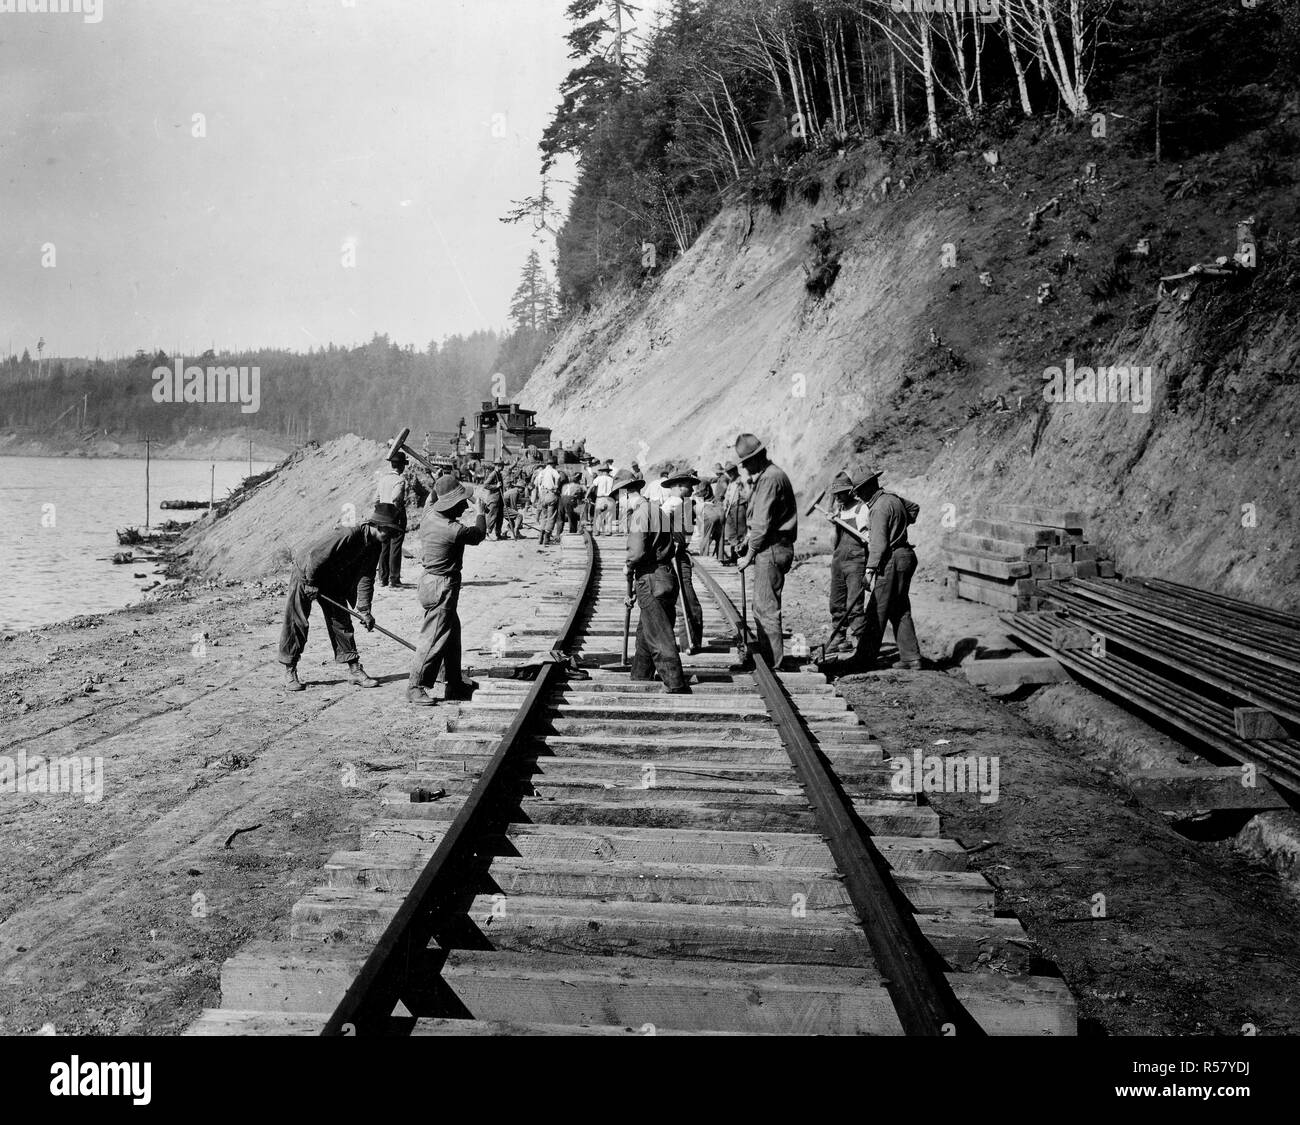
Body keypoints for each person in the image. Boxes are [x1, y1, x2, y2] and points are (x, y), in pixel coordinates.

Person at [279, 503, 401, 691]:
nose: (391, 537)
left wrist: (365, 610)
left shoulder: (375, 545)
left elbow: (366, 578)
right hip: (306, 571)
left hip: (331, 577)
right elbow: (315, 556)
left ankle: (354, 670)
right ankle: (290, 669)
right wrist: (310, 582)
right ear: (378, 526)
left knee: (341, 621)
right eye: (390, 532)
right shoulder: (349, 533)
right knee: (298, 621)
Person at [407, 475, 487, 706]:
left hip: (430, 583)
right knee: (433, 638)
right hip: (442, 586)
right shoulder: (453, 530)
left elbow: (433, 495)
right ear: (450, 504)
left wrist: (443, 483)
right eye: (461, 502)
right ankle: (415, 686)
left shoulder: (429, 513)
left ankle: (453, 683)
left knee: (452, 634)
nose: (464, 506)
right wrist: (480, 511)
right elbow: (479, 534)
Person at [616, 467, 688, 693]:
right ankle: (640, 676)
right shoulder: (658, 510)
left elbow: (636, 551)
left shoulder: (639, 513)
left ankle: (675, 683)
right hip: (666, 575)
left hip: (651, 578)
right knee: (646, 631)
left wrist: (628, 567)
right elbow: (676, 541)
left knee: (659, 635)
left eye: (619, 497)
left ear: (626, 493)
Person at [734, 433, 798, 670]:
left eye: (747, 462)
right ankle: (769, 658)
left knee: (766, 607)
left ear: (756, 458)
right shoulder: (771, 475)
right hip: (773, 546)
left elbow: (761, 524)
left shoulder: (770, 479)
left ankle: (772, 663)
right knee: (763, 605)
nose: (745, 468)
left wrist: (749, 554)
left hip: (772, 548)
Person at [856, 471, 922, 671]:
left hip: (892, 559)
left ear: (869, 486)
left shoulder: (878, 508)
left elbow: (879, 543)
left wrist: (869, 570)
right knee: (899, 607)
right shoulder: (892, 499)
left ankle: (864, 660)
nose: (859, 496)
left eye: (860, 491)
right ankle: (911, 658)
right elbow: (914, 508)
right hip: (906, 556)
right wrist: (899, 524)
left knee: (877, 609)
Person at [662, 465, 705, 655]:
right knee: (686, 600)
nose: (693, 489)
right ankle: (689, 643)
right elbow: (660, 521)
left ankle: (688, 641)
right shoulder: (675, 502)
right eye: (690, 485)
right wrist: (671, 542)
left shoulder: (682, 502)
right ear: (679, 486)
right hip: (675, 557)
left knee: (684, 600)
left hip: (678, 554)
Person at [826, 470, 869, 659]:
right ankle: (839, 638)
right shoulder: (840, 510)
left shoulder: (862, 509)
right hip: (838, 561)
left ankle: (861, 642)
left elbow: (868, 538)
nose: (838, 497)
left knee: (854, 605)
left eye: (842, 493)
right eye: (836, 494)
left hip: (855, 561)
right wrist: (834, 523)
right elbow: (834, 542)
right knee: (836, 602)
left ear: (851, 491)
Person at [374, 452, 409, 588]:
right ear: (401, 466)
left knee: (384, 547)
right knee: (395, 548)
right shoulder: (399, 480)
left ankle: (382, 579)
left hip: (382, 517)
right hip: (395, 517)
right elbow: (396, 498)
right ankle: (393, 580)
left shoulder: (383, 479)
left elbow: (375, 499)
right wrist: (397, 512)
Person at [720, 461, 748, 566]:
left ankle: (741, 557)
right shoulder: (731, 482)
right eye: (728, 472)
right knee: (732, 534)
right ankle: (733, 557)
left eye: (731, 471)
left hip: (739, 507)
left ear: (735, 470)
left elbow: (747, 494)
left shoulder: (741, 480)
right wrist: (725, 504)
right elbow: (727, 495)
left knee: (740, 532)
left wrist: (742, 494)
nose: (729, 473)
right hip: (730, 509)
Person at [534, 454, 562, 548]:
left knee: (544, 516)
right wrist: (556, 486)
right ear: (553, 464)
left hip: (542, 496)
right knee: (551, 517)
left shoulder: (541, 472)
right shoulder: (553, 471)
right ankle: (546, 538)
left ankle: (540, 538)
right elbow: (558, 477)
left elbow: (536, 483)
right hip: (550, 494)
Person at [589, 463, 615, 535]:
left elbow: (591, 488)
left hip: (600, 499)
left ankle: (597, 531)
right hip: (610, 499)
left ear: (602, 471)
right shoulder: (612, 479)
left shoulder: (598, 478)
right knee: (609, 516)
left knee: (598, 515)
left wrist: (586, 496)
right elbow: (615, 490)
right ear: (608, 471)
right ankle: (608, 531)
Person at [482, 458, 505, 540]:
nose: (502, 467)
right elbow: (485, 485)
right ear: (497, 465)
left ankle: (498, 534)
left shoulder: (499, 474)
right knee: (492, 516)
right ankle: (487, 534)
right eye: (501, 465)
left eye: (502, 465)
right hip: (493, 499)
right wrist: (496, 486)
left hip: (499, 500)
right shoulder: (493, 474)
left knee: (499, 517)